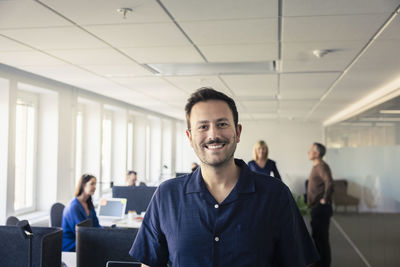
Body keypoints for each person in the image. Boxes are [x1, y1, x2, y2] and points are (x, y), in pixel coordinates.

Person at [129, 87, 319, 267]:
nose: (213, 135)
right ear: (189, 137)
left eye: (222, 124)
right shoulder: (167, 196)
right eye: (203, 126)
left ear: (237, 132)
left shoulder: (275, 195)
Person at [307, 143, 334, 267]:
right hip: (316, 208)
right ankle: (319, 262)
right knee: (318, 237)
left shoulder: (321, 166)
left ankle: (323, 264)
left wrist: (325, 199)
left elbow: (329, 182)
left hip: (320, 208)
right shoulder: (317, 166)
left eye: (311, 150)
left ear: (317, 153)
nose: (308, 152)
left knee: (321, 238)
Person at [61, 174, 101, 252]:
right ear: (83, 185)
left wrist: (108, 234)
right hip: (72, 244)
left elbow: (96, 225)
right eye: (92, 184)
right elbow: (80, 233)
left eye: (95, 184)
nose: (95, 187)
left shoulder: (89, 203)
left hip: (85, 241)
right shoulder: (73, 207)